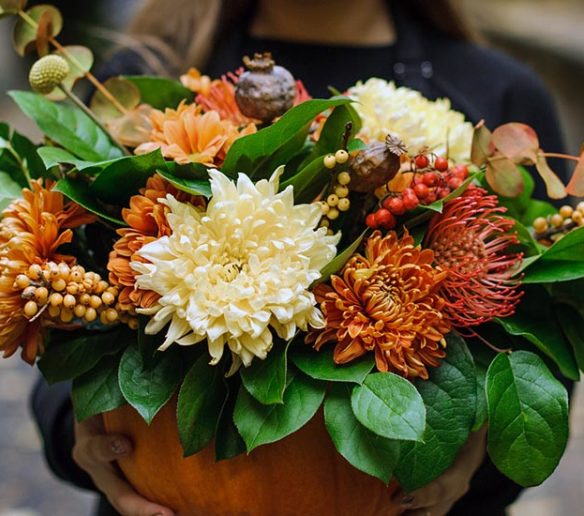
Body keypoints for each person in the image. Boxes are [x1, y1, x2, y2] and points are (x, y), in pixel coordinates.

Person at [30, 0, 568, 515]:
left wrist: (481, 445)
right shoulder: (134, 94)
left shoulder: (500, 94)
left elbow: (558, 326)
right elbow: (57, 325)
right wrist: (83, 430)